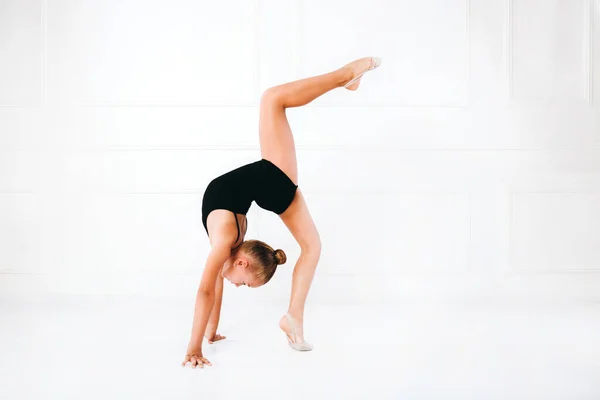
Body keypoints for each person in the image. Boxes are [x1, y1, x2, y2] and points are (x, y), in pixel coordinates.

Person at [181, 56, 382, 368]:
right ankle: (294, 319)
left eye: (243, 283)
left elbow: (208, 289)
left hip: (270, 180)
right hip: (269, 182)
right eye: (245, 284)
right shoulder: (228, 243)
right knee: (272, 100)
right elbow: (214, 287)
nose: (238, 286)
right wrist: (207, 334)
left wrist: (197, 346)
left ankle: (345, 76)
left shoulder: (225, 241)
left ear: (242, 261)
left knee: (272, 99)